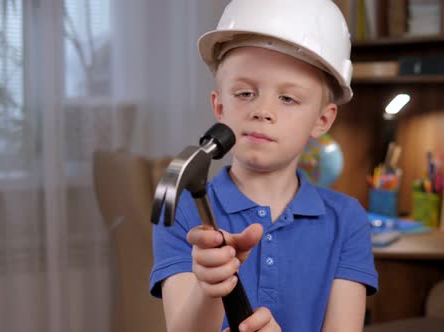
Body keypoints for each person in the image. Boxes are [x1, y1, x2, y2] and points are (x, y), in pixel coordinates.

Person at [150, 0, 378, 331]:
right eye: (244, 93)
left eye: (288, 98)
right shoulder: (187, 213)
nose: (263, 111)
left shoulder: (347, 220)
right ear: (219, 105)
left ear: (323, 119)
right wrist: (208, 288)